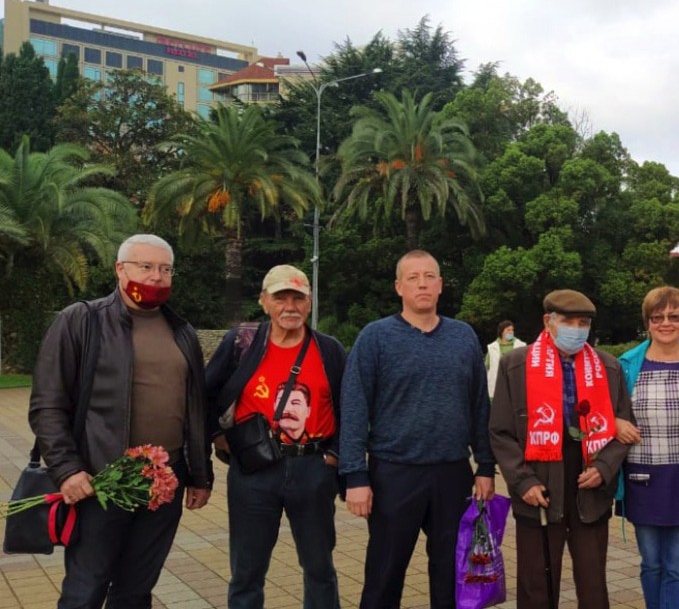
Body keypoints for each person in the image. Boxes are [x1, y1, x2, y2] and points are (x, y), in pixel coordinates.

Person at [30, 233, 213, 608]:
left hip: (165, 482)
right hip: (100, 480)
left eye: (165, 269)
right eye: (145, 266)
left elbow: (196, 408)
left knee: (136, 589)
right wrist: (67, 470)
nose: (156, 276)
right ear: (119, 269)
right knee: (86, 588)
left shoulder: (183, 333)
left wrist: (199, 475)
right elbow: (47, 404)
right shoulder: (82, 320)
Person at [338, 250, 495, 609]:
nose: (422, 283)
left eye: (429, 276)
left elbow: (478, 406)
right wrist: (355, 476)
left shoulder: (463, 336)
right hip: (394, 473)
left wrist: (485, 466)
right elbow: (354, 407)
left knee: (452, 574)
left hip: (452, 473)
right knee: (384, 573)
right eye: (413, 277)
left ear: (440, 285)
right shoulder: (375, 338)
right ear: (398, 286)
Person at [204, 264, 347, 609]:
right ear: (264, 302)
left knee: (319, 568)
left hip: (313, 468)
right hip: (254, 470)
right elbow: (204, 393)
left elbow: (350, 409)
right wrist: (215, 435)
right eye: (280, 298)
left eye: (298, 298)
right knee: (247, 571)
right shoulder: (243, 342)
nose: (290, 307)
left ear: (309, 303)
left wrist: (336, 455)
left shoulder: (329, 350)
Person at [490, 290, 634, 609]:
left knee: (592, 579)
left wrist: (604, 468)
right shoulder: (516, 364)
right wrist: (523, 481)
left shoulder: (607, 367)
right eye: (567, 321)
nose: (576, 329)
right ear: (548, 321)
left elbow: (623, 425)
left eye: (582, 323)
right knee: (536, 582)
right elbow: (500, 431)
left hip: (590, 481)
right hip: (538, 480)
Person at [614, 287, 679, 609]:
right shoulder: (628, 364)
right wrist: (617, 423)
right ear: (648, 322)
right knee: (652, 563)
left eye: (675, 316)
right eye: (657, 318)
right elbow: (609, 411)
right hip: (642, 477)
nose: (666, 324)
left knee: (677, 565)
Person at [485, 320, 526, 398]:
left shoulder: (521, 346)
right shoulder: (492, 348)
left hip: (515, 385)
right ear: (502, 332)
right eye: (508, 330)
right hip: (496, 387)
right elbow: (486, 368)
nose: (511, 332)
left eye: (512, 330)